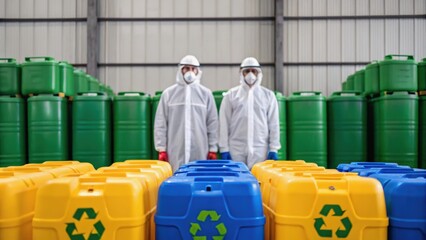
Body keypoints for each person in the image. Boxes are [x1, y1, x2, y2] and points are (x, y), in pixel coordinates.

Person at [154, 55, 218, 171]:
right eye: (187, 68)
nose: (190, 72)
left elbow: (212, 123)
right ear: (180, 70)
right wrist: (161, 148)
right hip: (175, 149)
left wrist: (213, 148)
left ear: (198, 71)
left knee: (198, 177)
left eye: (193, 69)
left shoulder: (206, 94)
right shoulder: (169, 94)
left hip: (199, 148)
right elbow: (161, 122)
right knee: (176, 178)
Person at [219, 57, 280, 169]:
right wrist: (224, 149)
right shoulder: (231, 95)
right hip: (236, 149)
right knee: (236, 182)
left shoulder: (268, 96)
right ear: (241, 73)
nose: (250, 75)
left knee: (259, 182)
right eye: (247, 71)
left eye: (254, 71)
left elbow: (274, 124)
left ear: (259, 73)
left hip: (261, 149)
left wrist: (273, 148)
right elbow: (224, 123)